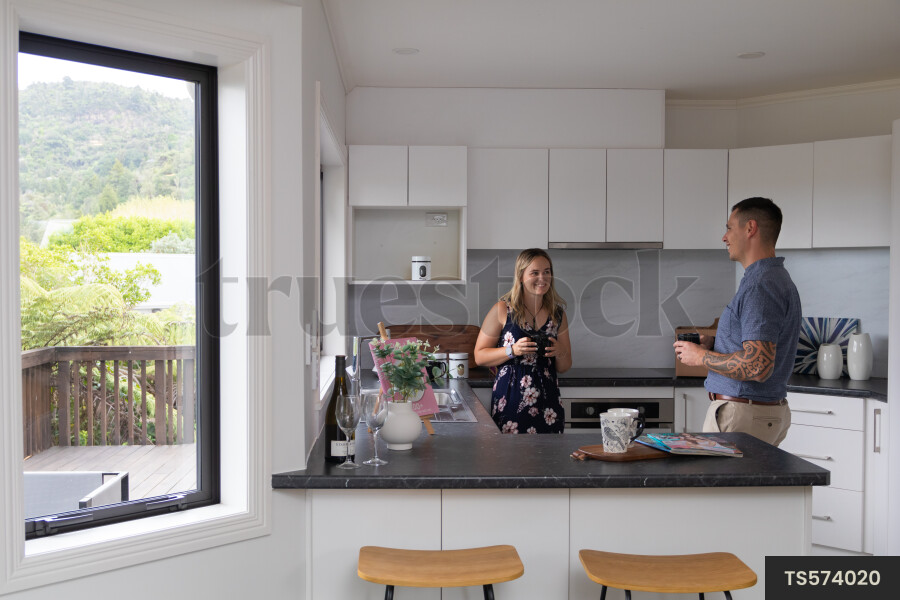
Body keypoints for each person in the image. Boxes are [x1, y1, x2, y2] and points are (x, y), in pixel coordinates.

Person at [673, 197, 801, 446]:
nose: (724, 237)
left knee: (725, 486)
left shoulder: (761, 285)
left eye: (729, 228)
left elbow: (757, 365)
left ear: (750, 228)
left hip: (742, 415)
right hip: (753, 414)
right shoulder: (772, 278)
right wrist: (716, 343)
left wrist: (700, 357)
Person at [474, 248, 573, 433]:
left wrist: (560, 351)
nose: (542, 278)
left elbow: (564, 366)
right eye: (534, 273)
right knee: (511, 458)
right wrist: (512, 350)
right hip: (511, 399)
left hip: (548, 399)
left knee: (550, 459)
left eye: (547, 272)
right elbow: (479, 356)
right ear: (520, 276)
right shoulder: (503, 309)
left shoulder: (558, 314)